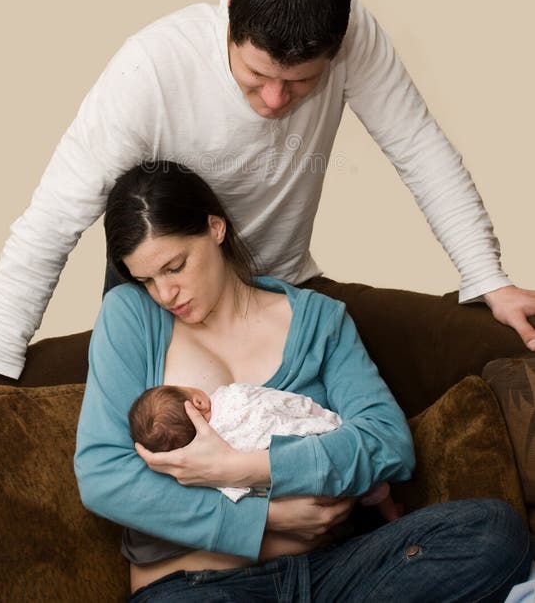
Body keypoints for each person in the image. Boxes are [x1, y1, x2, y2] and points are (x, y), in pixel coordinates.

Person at [0, 0, 535, 387]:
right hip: (164, 299)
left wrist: (487, 277)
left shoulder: (353, 32)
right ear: (230, 16)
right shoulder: (152, 70)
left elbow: (418, 146)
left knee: (476, 343)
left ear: (337, 47)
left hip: (277, 287)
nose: (275, 102)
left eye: (301, 83)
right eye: (258, 77)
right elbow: (54, 216)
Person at [74, 161, 532, 601]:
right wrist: (265, 518)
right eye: (146, 279)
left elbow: (388, 442)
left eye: (174, 267)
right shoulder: (131, 315)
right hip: (196, 585)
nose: (164, 294)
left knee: (493, 529)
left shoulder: (318, 320)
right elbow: (104, 477)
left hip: (335, 575)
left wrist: (242, 469)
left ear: (215, 228)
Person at [128, 381, 401, 519]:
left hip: (297, 498)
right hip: (325, 457)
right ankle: (392, 515)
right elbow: (275, 401)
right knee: (373, 484)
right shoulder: (229, 396)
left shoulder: (200, 466)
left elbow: (238, 494)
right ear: (197, 402)